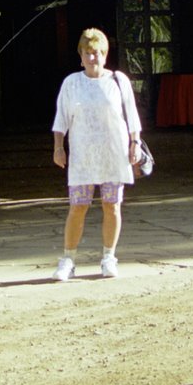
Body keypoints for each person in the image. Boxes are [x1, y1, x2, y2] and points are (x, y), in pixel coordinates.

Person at [51, 27, 142, 281]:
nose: (94, 58)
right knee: (78, 206)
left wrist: (135, 143)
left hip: (113, 154)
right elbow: (61, 118)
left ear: (105, 54)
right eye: (89, 53)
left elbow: (132, 116)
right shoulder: (72, 83)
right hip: (83, 156)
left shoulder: (118, 81)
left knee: (111, 205)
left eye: (98, 53)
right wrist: (59, 147)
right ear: (80, 55)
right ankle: (68, 259)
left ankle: (108, 257)